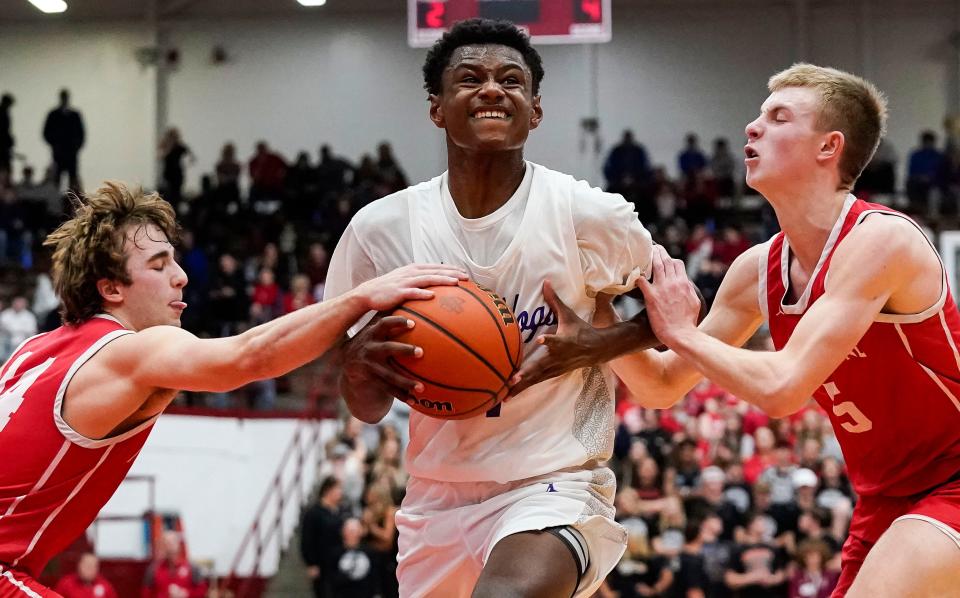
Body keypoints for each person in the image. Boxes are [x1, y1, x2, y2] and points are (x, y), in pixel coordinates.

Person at [523, 64, 960, 596]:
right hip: (883, 496)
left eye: (777, 118)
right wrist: (594, 303)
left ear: (829, 147)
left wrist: (681, 331)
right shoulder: (757, 269)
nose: (752, 128)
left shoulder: (881, 240)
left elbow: (782, 386)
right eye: (757, 116)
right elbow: (663, 386)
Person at [323, 18, 660, 598]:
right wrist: (357, 366)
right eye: (469, 78)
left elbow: (685, 306)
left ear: (535, 111)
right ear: (436, 109)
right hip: (436, 493)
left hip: (554, 482)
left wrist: (604, 343)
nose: (492, 89)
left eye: (511, 80)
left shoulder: (588, 214)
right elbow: (368, 407)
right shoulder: (379, 230)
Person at [0, 181, 464, 596]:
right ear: (111, 289)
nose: (180, 276)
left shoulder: (31, 352)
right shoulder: (130, 351)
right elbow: (248, 357)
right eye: (160, 265)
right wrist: (361, 297)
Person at [300, 477, 346, 598]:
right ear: (327, 490)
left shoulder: (341, 511)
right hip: (322, 563)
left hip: (339, 562)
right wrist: (311, 563)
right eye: (338, 489)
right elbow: (307, 539)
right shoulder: (314, 513)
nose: (341, 492)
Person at [141, 531, 207, 598]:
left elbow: (202, 591)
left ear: (179, 545)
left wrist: (186, 594)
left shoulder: (192, 567)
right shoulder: (153, 569)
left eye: (171, 543)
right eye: (165, 543)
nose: (169, 547)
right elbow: (146, 593)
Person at [42, 89, 85, 192]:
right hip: (59, 153)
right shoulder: (54, 114)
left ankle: (72, 204)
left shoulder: (74, 115)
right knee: (57, 179)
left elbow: (81, 134)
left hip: (71, 152)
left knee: (72, 180)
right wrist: (55, 144)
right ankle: (57, 203)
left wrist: (76, 146)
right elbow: (46, 133)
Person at [53, 552, 118, 598]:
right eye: (87, 565)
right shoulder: (65, 584)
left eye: (93, 566)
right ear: (79, 566)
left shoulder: (105, 586)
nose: (90, 569)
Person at [0, 94, 14, 177]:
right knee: (6, 168)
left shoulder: (4, 113)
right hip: (3, 146)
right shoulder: (3, 113)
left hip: (4, 145)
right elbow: (4, 131)